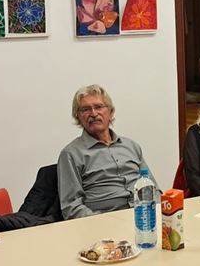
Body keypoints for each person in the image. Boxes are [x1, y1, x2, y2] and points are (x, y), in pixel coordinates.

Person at [58, 84, 157, 219]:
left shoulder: (131, 146)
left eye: (99, 107)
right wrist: (102, 222)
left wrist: (159, 213)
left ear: (110, 112)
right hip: (103, 221)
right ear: (78, 117)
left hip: (143, 218)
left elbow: (152, 188)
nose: (93, 114)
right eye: (85, 109)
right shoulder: (71, 154)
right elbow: (71, 207)